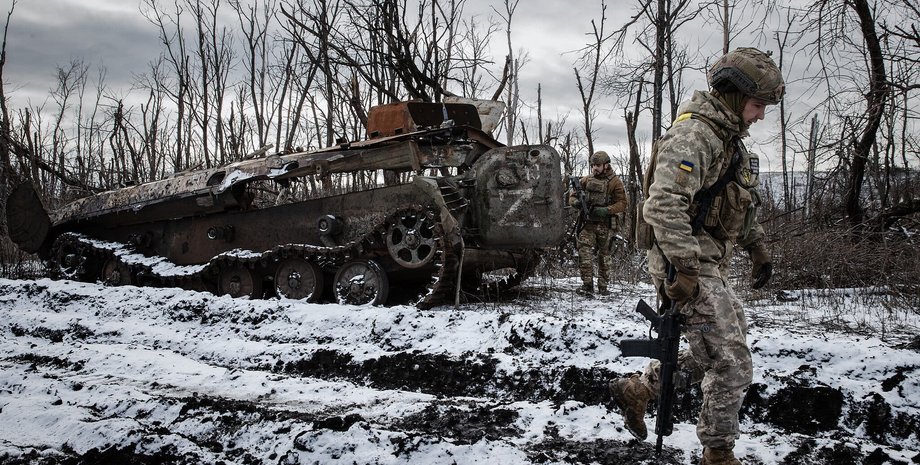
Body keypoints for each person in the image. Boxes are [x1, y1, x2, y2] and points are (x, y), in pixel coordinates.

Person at [610, 47, 783, 465]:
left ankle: (639, 390)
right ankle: (717, 452)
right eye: (758, 105)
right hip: (684, 265)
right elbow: (663, 204)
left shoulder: (728, 141)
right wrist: (685, 269)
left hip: (706, 263)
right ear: (735, 95)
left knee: (719, 347)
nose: (761, 115)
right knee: (732, 363)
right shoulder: (695, 135)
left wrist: (757, 248)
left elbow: (739, 206)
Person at [568, 151, 628, 296]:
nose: (595, 168)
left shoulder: (615, 182)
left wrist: (606, 210)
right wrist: (576, 203)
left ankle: (603, 286)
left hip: (605, 225)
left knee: (604, 256)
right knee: (584, 253)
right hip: (587, 224)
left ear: (606, 165)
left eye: (598, 165)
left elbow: (622, 203)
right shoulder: (586, 180)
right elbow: (572, 196)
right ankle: (587, 285)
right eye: (593, 165)